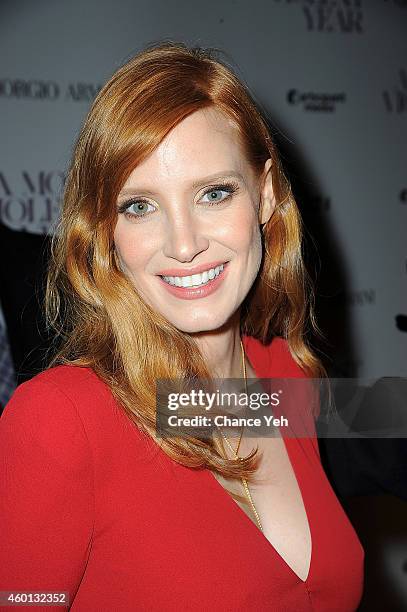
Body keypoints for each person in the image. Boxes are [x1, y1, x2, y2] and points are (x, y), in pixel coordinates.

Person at [0, 41, 364, 611]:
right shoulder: (61, 420)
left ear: (264, 194)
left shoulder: (283, 374)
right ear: (105, 231)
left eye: (213, 193)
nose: (185, 244)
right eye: (140, 206)